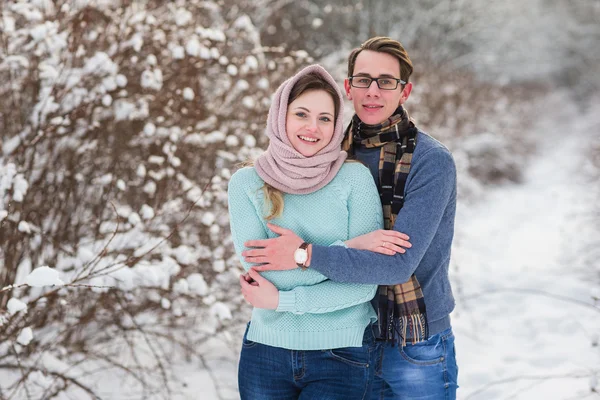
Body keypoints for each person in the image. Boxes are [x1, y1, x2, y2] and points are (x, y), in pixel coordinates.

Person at [241, 37, 459, 399]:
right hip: (344, 336)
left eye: (386, 81)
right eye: (363, 80)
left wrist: (304, 255)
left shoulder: (430, 161)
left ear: (404, 92)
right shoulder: (325, 151)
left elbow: (396, 265)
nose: (373, 91)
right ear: (348, 87)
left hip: (412, 339)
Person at [228, 64, 395, 399]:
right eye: (301, 114)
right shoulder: (246, 184)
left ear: (336, 126)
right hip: (265, 353)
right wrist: (347, 248)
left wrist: (283, 294)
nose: (312, 127)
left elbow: (362, 287)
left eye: (324, 118)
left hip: (343, 354)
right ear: (280, 117)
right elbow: (263, 276)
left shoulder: (354, 179)